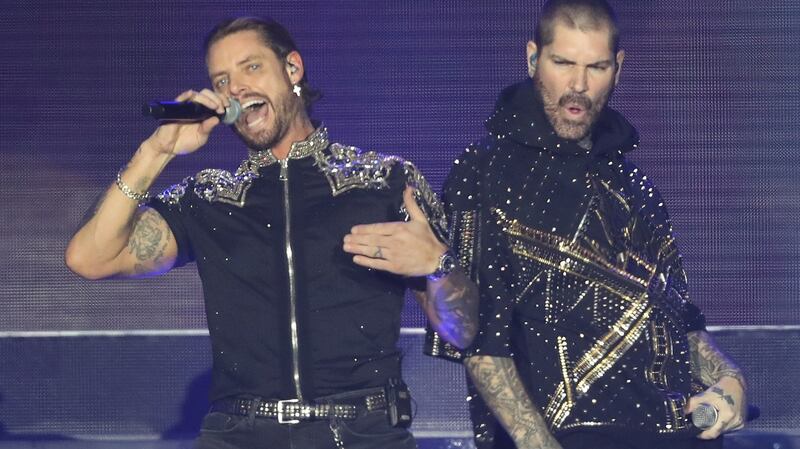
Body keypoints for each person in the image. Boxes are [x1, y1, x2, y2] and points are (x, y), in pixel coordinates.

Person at [65, 16, 478, 449]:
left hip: (362, 431)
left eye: (252, 67)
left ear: (293, 69)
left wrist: (438, 265)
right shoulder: (209, 199)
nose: (236, 87)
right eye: (221, 79)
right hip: (239, 432)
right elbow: (89, 258)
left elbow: (462, 332)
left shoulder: (383, 183)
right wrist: (157, 151)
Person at [425, 1, 747, 448]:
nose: (578, 86)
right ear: (533, 58)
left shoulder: (631, 181)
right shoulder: (485, 172)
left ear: (618, 68)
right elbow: (483, 347)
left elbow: (676, 318)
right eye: (563, 63)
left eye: (595, 67)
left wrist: (732, 380)